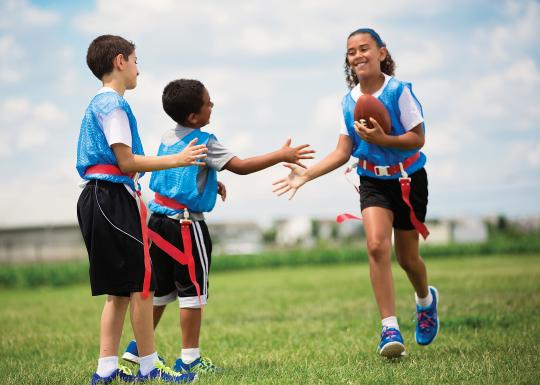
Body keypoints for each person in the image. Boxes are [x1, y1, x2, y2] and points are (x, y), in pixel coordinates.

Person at [121, 78, 314, 374]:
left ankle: (137, 348)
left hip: (157, 224)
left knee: (160, 291)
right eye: (208, 103)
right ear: (193, 117)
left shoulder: (167, 136)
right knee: (192, 294)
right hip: (186, 226)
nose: (213, 106)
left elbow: (178, 176)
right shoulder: (205, 141)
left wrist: (211, 183)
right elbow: (242, 166)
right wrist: (281, 155)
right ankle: (189, 359)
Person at [272, 28, 439, 358]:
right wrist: (305, 175)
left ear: (381, 53)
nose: (358, 55)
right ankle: (389, 327)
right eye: (352, 52)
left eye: (365, 48)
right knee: (376, 245)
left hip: (408, 180)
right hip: (372, 181)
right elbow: (342, 151)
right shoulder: (348, 102)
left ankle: (425, 300)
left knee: (407, 258)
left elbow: (417, 139)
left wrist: (384, 140)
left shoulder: (399, 92)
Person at [76, 35, 207, 384]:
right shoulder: (113, 105)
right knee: (142, 285)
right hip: (111, 198)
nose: (138, 68)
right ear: (120, 61)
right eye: (136, 60)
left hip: (100, 198)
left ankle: (105, 371)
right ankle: (149, 368)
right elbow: (127, 161)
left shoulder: (102, 103)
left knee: (118, 291)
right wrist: (176, 159)